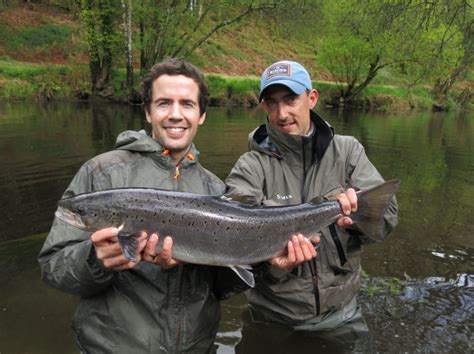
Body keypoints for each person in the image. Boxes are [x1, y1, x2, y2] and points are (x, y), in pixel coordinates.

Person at [38, 58, 316, 353]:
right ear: (147, 112)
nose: (175, 115)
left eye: (186, 104)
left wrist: (270, 263)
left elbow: (222, 287)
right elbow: (52, 267)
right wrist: (96, 260)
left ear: (201, 115)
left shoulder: (215, 189)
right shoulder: (100, 174)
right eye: (163, 103)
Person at [226, 60, 398, 351]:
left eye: (291, 99)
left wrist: (355, 219)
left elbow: (386, 221)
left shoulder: (348, 152)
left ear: (312, 97)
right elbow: (233, 241)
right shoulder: (250, 166)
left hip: (340, 317)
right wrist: (274, 263)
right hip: (272, 318)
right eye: (272, 103)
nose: (282, 114)